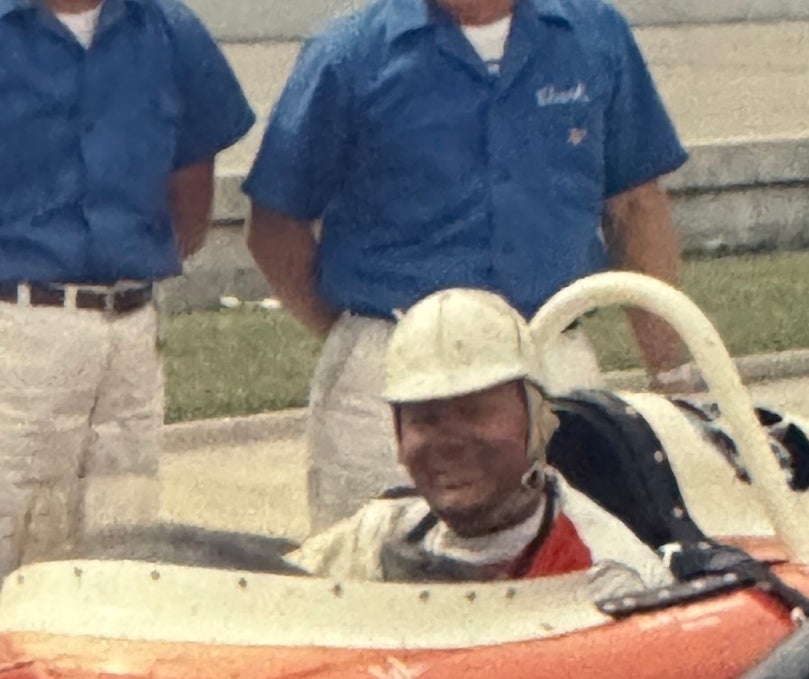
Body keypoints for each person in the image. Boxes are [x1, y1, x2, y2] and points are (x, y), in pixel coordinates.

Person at [244, 0, 693, 532]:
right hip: (391, 377)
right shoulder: (349, 53)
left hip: (553, 362)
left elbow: (637, 207)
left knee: (573, 580)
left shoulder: (596, 36)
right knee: (380, 579)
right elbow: (274, 226)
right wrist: (362, 337)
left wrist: (674, 374)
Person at [0, 0, 255, 573]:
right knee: (10, 532)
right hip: (16, 325)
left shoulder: (169, 31)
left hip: (130, 328)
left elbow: (193, 177)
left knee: (124, 535)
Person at [289, 288, 672, 591]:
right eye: (426, 420)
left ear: (536, 420)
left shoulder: (606, 576)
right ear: (398, 434)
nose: (449, 442)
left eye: (475, 413)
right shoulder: (377, 538)